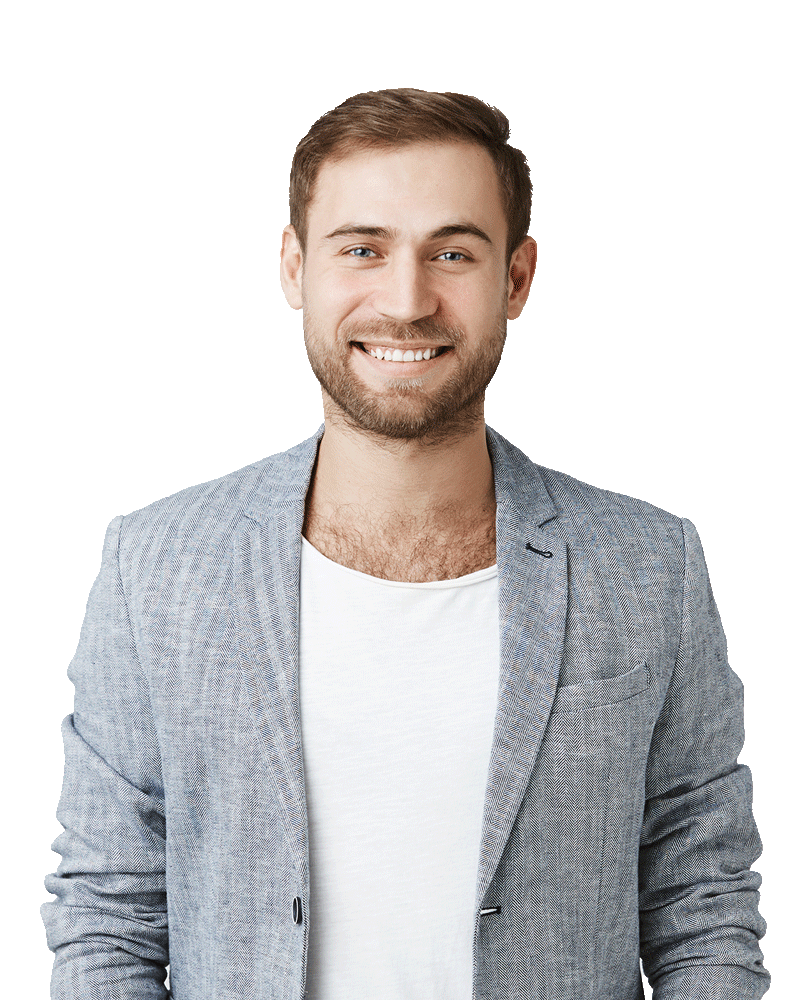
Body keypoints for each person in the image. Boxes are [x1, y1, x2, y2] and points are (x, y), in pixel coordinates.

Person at [42, 88, 769, 998]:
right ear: (295, 268)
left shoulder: (651, 565)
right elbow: (109, 916)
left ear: (517, 279)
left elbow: (704, 905)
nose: (407, 300)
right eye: (363, 249)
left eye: (452, 253)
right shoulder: (156, 564)